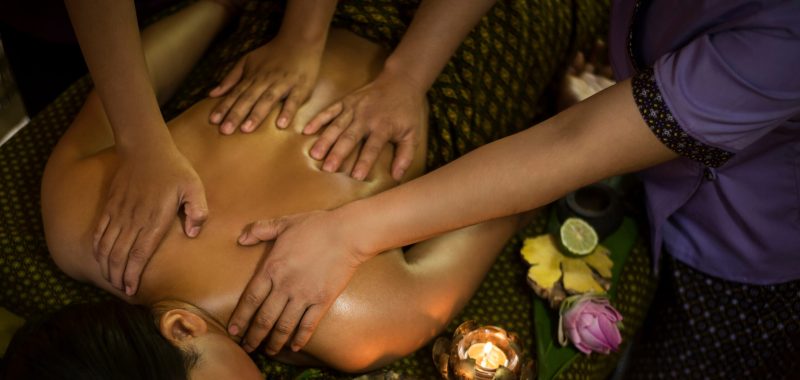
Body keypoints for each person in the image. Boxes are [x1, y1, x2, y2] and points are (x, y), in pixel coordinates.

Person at [229, 0, 800, 375]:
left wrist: (349, 232)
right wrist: (403, 75)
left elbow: (572, 146)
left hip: (744, 238)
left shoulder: (783, 39)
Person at [1, 2, 530, 377]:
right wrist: (222, 10)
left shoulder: (355, 326)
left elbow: (506, 205)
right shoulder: (76, 223)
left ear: (181, 329)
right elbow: (124, 86)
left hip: (473, 50)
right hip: (278, 21)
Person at [64, 0, 498, 302]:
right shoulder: (73, 227)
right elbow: (496, 213)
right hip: (460, 65)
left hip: (283, 32)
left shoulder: (76, 226)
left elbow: (494, 218)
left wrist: (300, 35)